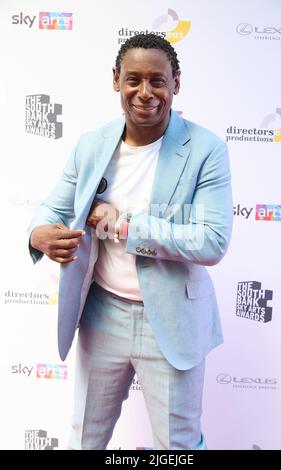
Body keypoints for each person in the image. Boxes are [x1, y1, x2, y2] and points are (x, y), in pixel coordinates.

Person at [28, 33, 233, 450]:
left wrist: (125, 227)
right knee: (84, 438)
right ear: (116, 80)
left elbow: (211, 241)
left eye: (157, 81)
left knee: (179, 447)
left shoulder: (206, 150)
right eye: (133, 79)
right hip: (102, 314)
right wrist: (39, 234)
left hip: (173, 320)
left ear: (176, 82)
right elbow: (52, 209)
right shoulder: (92, 144)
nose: (146, 93)